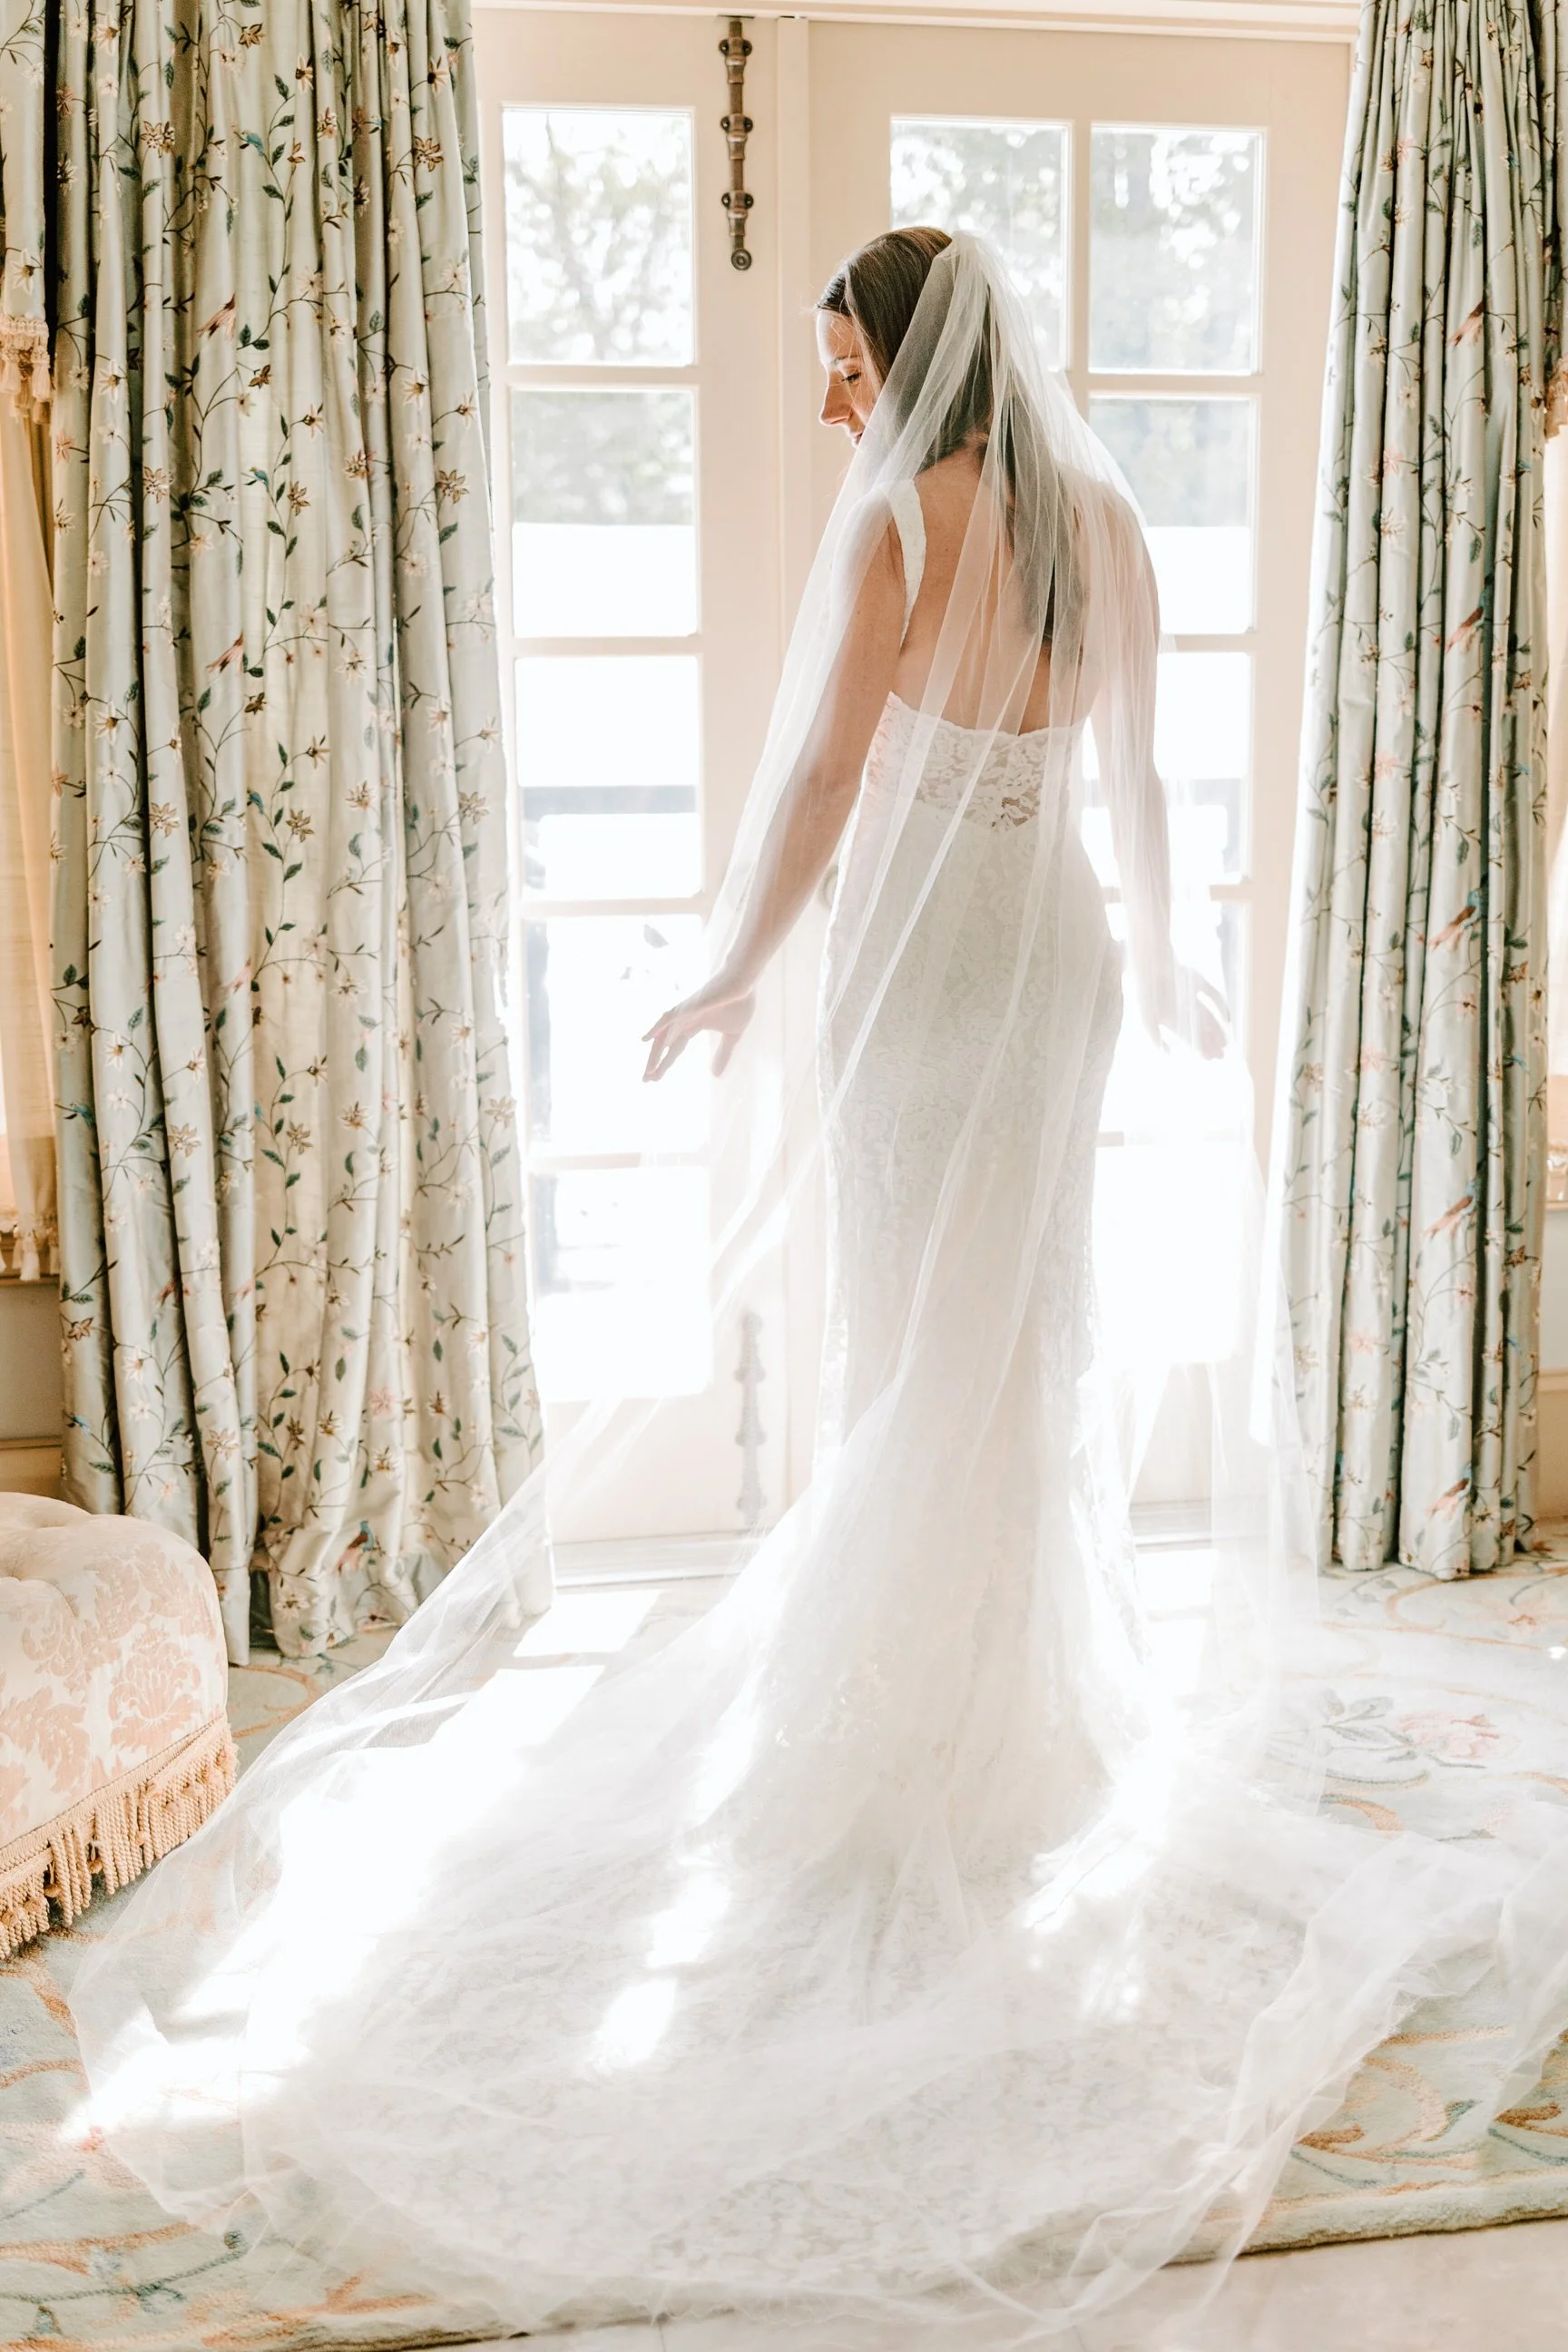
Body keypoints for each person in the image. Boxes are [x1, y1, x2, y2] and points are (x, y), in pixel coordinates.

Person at [67, 230, 1568, 2347]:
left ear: (914, 360)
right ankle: (1019, 1727)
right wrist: (1163, 959)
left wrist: (726, 969)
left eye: (847, 357)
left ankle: (921, 1739)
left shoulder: (894, 525)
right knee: (1015, 1344)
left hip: (927, 976)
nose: (835, 395)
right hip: (1055, 962)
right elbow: (1144, 785)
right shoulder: (1109, 519)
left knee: (913, 1354)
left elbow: (829, 783)